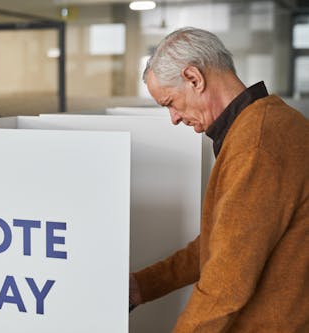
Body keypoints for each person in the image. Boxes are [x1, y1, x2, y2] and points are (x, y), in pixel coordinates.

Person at [129, 27, 308, 332]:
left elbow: (227, 280)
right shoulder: (268, 124)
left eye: (169, 102)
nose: (173, 118)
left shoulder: (256, 145)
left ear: (194, 78)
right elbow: (222, 242)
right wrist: (143, 286)